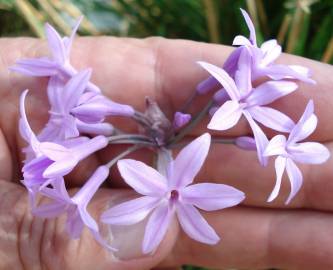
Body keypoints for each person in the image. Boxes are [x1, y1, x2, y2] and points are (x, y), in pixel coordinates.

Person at [0, 36, 332, 270]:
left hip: (193, 137)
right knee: (101, 140)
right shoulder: (215, 114)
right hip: (142, 147)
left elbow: (205, 135)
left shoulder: (240, 124)